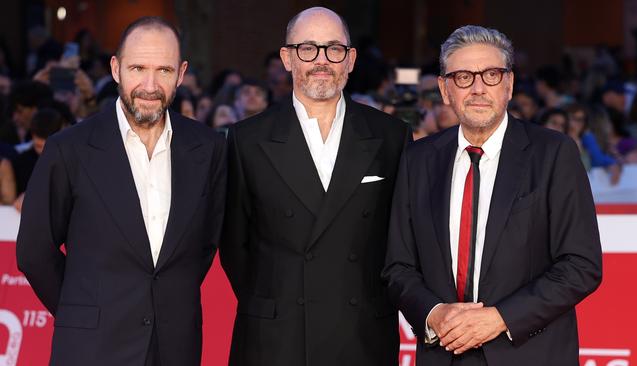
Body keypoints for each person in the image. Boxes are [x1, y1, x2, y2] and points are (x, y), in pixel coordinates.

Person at [383, 25, 602, 366]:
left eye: (491, 74)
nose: (478, 88)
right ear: (444, 89)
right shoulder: (417, 160)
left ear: (509, 84)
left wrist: (499, 318)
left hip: (529, 353)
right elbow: (398, 266)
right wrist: (434, 314)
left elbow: (580, 264)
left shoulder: (553, 153)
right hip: (445, 351)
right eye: (463, 77)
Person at [16, 16, 227, 366]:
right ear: (115, 69)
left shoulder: (208, 148)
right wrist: (83, 310)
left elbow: (204, 245)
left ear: (181, 72)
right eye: (138, 68)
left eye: (163, 70)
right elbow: (34, 252)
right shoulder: (69, 148)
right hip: (90, 348)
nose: (149, 84)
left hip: (175, 347)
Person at [220, 7, 409, 366]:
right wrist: (278, 300)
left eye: (333, 49)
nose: (321, 60)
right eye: (308, 48)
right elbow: (235, 245)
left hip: (361, 337)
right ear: (287, 58)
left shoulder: (391, 136)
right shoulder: (247, 139)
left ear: (350, 60)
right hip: (275, 339)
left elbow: (399, 239)